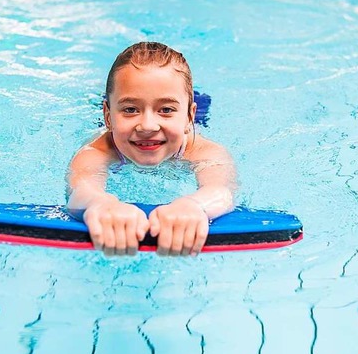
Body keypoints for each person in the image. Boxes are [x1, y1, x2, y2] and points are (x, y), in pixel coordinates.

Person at [67, 42, 236, 257]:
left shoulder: (204, 152)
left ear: (189, 117)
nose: (148, 126)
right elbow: (80, 188)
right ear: (108, 117)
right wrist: (101, 203)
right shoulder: (97, 150)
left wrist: (193, 205)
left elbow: (221, 191)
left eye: (166, 110)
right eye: (130, 109)